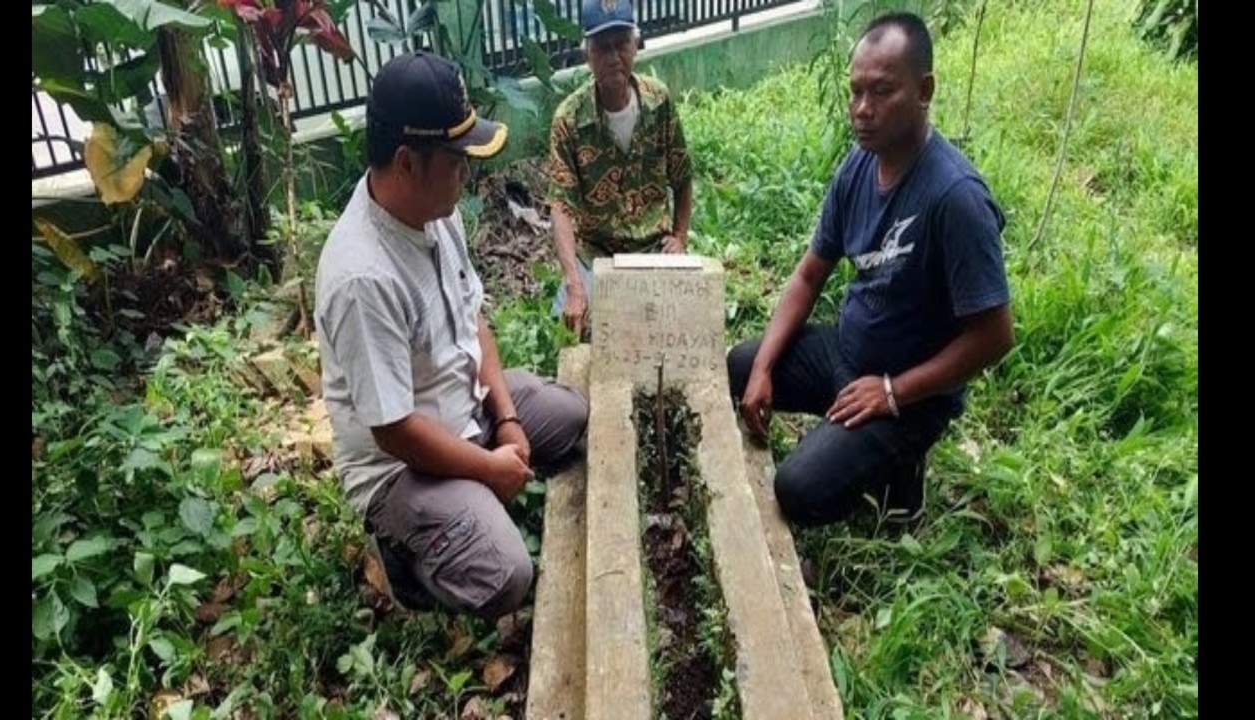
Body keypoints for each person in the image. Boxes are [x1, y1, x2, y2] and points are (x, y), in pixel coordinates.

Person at [314, 52, 589, 619]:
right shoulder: (362, 275)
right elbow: (393, 430)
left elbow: (473, 319)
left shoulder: (438, 212)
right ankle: (402, 557)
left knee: (569, 416)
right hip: (403, 468)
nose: (467, 172)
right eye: (456, 159)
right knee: (506, 575)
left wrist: (508, 419)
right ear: (407, 162)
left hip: (464, 409)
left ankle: (472, 493)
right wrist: (490, 468)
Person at [727, 12, 1014, 527]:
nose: (862, 109)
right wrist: (766, 368)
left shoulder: (955, 198)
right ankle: (856, 437)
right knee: (740, 367)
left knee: (796, 490)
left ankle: (901, 473)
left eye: (881, 92)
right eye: (855, 92)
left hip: (910, 389)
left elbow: (994, 335)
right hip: (849, 353)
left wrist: (891, 393)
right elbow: (810, 274)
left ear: (924, 90)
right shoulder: (859, 164)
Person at [546, 0, 694, 334]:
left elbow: (682, 175)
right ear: (587, 53)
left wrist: (680, 237)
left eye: (621, 44)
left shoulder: (660, 102)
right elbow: (561, 207)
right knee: (574, 329)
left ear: (635, 45)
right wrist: (573, 282)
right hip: (595, 253)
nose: (614, 57)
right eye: (602, 47)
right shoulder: (568, 119)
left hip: (653, 248)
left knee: (678, 327)